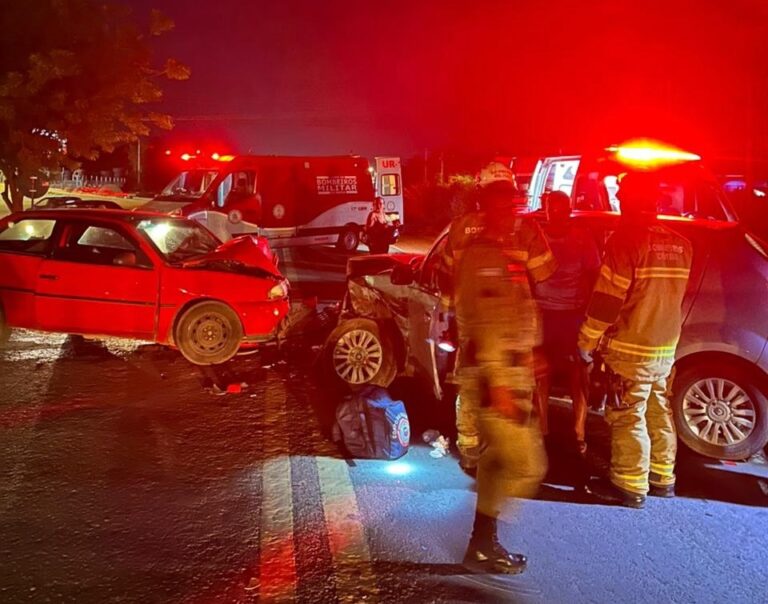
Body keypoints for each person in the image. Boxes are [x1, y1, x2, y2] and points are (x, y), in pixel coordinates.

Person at [444, 162, 557, 574]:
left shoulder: (499, 245)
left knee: (495, 459)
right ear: (488, 204)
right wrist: (500, 384)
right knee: (526, 464)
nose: (511, 210)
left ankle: (482, 545)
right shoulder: (487, 254)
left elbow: (511, 309)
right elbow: (486, 320)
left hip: (506, 367)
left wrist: (530, 352)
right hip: (496, 374)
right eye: (504, 202)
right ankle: (484, 539)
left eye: (512, 202)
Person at [578, 171, 693, 509]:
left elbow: (606, 303)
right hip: (665, 348)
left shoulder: (626, 241)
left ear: (626, 201)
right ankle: (662, 477)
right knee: (658, 409)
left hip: (631, 348)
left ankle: (629, 484)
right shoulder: (681, 244)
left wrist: (586, 340)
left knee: (628, 415)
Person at [534, 190, 601, 454]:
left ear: (569, 210)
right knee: (541, 373)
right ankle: (543, 430)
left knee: (579, 374)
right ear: (547, 210)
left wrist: (592, 314)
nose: (558, 214)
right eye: (553, 208)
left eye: (563, 209)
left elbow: (595, 273)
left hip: (574, 315)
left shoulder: (582, 238)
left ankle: (579, 433)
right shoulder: (537, 237)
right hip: (543, 315)